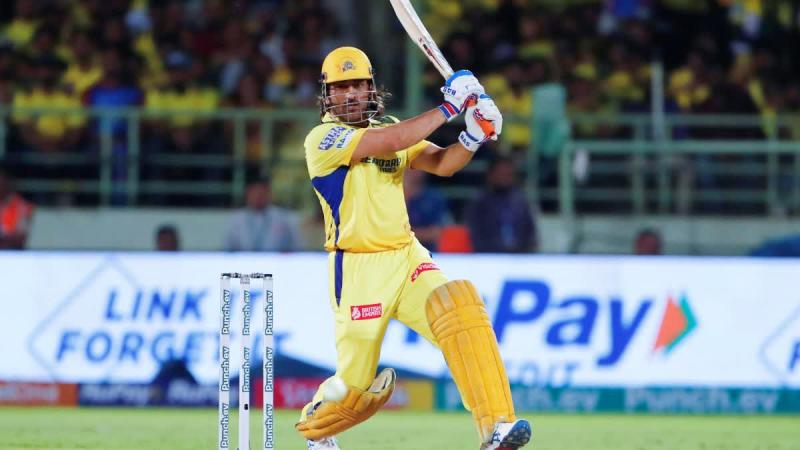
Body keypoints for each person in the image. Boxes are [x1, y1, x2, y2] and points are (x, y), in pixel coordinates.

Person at [296, 47, 531, 450]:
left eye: (358, 85)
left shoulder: (390, 127)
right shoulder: (323, 139)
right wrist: (450, 107)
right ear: (327, 94)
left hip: (407, 258)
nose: (350, 94)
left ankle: (496, 428)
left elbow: (442, 164)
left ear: (371, 88)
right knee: (353, 388)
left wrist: (473, 136)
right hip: (358, 269)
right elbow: (389, 141)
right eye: (341, 87)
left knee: (461, 312)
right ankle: (317, 431)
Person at [466, 157, 537, 253]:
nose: (505, 178)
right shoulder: (480, 201)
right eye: (502, 174)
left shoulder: (520, 201)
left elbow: (530, 231)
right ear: (491, 175)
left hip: (520, 256)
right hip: (488, 256)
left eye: (509, 174)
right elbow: (474, 234)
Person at [223, 178, 301, 252]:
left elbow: (293, 246)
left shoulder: (283, 218)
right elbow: (227, 247)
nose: (258, 196)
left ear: (269, 194)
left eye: (262, 193)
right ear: (247, 194)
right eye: (255, 193)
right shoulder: (236, 219)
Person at [404, 169, 449, 251]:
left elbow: (436, 233)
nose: (412, 171)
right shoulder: (388, 197)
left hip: (427, 252)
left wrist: (403, 235)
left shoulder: (434, 198)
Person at [0, 167, 34, 250]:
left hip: (13, 254)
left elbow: (20, 239)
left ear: (7, 182)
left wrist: (5, 238)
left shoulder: (22, 206)